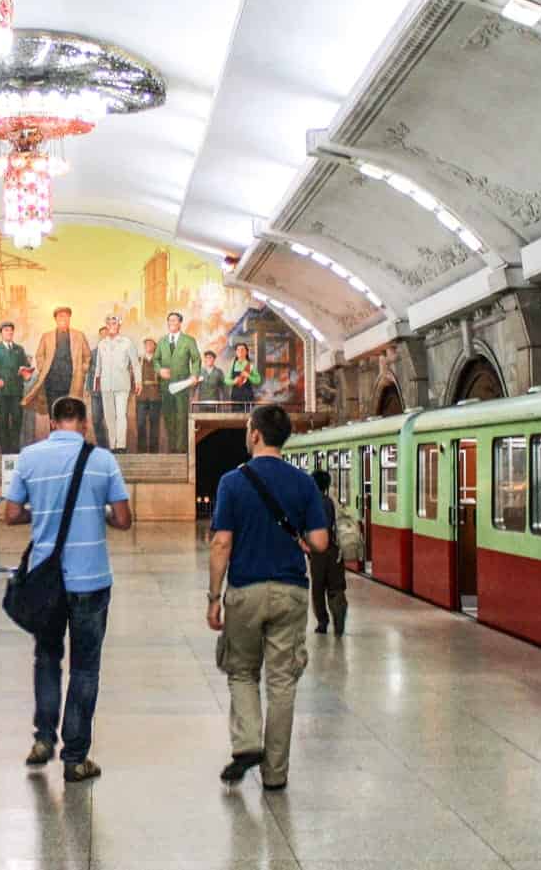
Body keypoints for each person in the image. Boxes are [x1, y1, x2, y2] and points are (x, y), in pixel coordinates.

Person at [3, 397, 133, 782]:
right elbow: (124, 519)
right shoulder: (103, 460)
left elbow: (11, 515)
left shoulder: (29, 457)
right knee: (85, 668)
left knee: (46, 658)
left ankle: (43, 738)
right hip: (91, 578)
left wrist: (40, 513)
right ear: (85, 423)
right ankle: (75, 758)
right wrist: (99, 513)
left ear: (53, 422)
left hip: (47, 578)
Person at [207, 404, 329, 792]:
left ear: (255, 434)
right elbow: (321, 542)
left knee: (241, 670)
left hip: (245, 590)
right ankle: (275, 774)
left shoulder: (232, 481)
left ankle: (246, 744)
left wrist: (214, 597)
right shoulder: (304, 482)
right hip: (291, 592)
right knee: (282, 682)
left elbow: (221, 542)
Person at [25, 307, 90, 436]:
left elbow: (87, 356)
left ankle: (71, 440)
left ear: (69, 318)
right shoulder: (46, 336)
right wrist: (44, 368)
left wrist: (82, 370)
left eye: (66, 316)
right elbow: (39, 355)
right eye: (60, 317)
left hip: (72, 381)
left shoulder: (79, 335)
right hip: (52, 382)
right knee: (54, 412)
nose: (63, 319)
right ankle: (55, 438)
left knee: (71, 412)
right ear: (55, 319)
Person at [153, 311, 202, 454]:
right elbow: (156, 360)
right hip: (165, 386)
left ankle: (181, 449)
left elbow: (196, 359)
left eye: (174, 321)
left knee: (181, 415)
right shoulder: (162, 341)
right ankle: (173, 446)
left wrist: (194, 376)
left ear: (180, 323)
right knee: (168, 416)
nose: (171, 323)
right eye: (169, 321)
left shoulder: (188, 340)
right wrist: (159, 370)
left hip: (182, 385)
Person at [309, 470, 347, 636]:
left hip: (318, 551)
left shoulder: (311, 504)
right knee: (336, 586)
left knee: (318, 588)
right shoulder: (332, 503)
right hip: (334, 549)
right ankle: (339, 618)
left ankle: (322, 622)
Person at [92, 316, 139, 453]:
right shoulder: (102, 344)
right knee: (109, 416)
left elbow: (135, 364)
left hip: (122, 384)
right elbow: (98, 367)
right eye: (109, 324)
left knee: (121, 414)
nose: (112, 326)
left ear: (119, 326)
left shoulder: (127, 342)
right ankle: (112, 445)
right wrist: (96, 383)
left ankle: (121, 445)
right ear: (106, 326)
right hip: (106, 385)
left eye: (115, 323)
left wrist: (138, 381)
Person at [0, 321, 32, 453]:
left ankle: (15, 448)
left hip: (17, 390)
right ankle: (5, 450)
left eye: (11, 330)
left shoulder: (19, 349)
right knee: (2, 420)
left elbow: (25, 367)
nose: (9, 332)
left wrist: (26, 373)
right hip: (2, 391)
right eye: (6, 330)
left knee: (17, 418)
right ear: (1, 333)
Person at [135, 338, 161, 453]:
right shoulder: (139, 359)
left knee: (154, 423)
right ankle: (141, 451)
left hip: (156, 396)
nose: (148, 346)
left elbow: (164, 379)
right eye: (146, 344)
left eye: (150, 344)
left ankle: (154, 451)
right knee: (140, 423)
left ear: (155, 346)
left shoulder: (160, 361)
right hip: (141, 396)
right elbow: (133, 376)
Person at [85, 326, 109, 448]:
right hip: (96, 392)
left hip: (111, 392)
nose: (104, 336)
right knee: (96, 420)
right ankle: (102, 446)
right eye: (102, 334)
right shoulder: (93, 353)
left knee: (111, 421)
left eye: (107, 334)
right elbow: (88, 371)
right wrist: (88, 388)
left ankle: (115, 447)